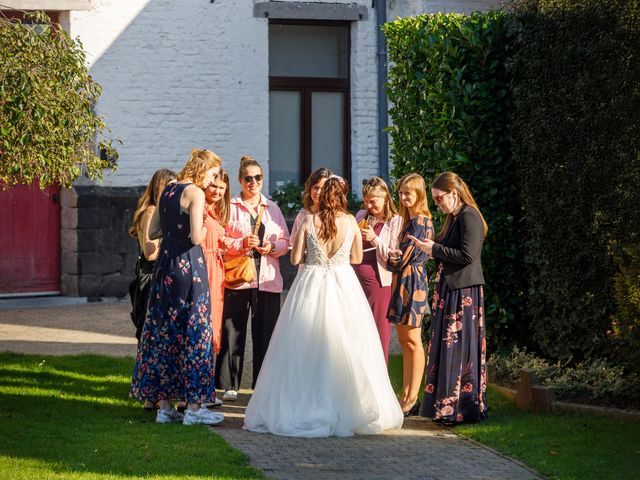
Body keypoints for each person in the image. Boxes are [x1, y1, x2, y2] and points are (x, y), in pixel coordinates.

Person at [244, 176, 403, 437]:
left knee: (304, 343)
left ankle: (306, 403)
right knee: (348, 342)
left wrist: (313, 254)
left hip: (312, 280)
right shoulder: (351, 221)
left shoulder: (309, 220)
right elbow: (356, 257)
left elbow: (295, 258)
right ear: (342, 196)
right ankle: (346, 405)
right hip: (343, 283)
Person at [130, 148, 224, 426]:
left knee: (165, 335)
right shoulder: (195, 193)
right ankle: (194, 408)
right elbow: (196, 237)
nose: (213, 180)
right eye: (214, 174)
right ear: (203, 169)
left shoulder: (169, 189)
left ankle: (165, 407)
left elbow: (153, 232)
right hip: (189, 269)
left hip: (165, 268)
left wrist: (174, 230)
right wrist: (205, 228)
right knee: (194, 333)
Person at [410, 172, 488, 425]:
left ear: (454, 192)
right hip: (451, 289)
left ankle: (461, 408)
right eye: (435, 200)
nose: (438, 204)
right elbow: (448, 251)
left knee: (460, 350)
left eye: (439, 198)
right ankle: (445, 407)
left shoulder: (470, 216)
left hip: (463, 292)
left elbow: (468, 255)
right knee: (448, 348)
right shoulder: (453, 218)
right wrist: (429, 248)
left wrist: (434, 248)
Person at [215, 156, 290, 401]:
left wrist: (270, 247)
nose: (253, 182)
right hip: (238, 279)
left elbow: (285, 242)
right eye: (248, 178)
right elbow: (221, 242)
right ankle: (229, 385)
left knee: (266, 333)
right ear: (240, 180)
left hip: (267, 280)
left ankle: (263, 384)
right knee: (232, 331)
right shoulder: (230, 206)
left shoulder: (273, 208)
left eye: (257, 177)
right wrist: (242, 243)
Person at [128, 168, 177, 411]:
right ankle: (150, 394)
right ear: (160, 188)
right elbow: (150, 251)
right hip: (150, 276)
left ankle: (151, 396)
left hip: (155, 275)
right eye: (170, 188)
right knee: (151, 336)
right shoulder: (150, 212)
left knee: (154, 337)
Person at [386, 173, 434, 417]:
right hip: (402, 280)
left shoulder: (421, 222)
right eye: (401, 193)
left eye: (408, 193)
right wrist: (393, 259)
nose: (403, 197)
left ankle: (414, 397)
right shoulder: (408, 221)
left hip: (412, 281)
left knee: (414, 341)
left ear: (419, 195)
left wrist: (393, 259)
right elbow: (395, 259)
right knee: (405, 342)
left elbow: (399, 259)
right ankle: (406, 395)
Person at [353, 177, 403, 364]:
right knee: (358, 330)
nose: (369, 205)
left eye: (373, 200)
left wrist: (374, 238)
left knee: (378, 330)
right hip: (355, 281)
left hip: (379, 283)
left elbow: (393, 256)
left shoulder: (394, 221)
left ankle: (379, 377)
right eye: (366, 200)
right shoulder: (360, 216)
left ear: (384, 198)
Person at [289, 167, 332, 243]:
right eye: (316, 187)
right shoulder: (302, 216)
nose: (318, 192)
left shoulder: (335, 216)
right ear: (310, 188)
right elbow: (293, 244)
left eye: (323, 189)